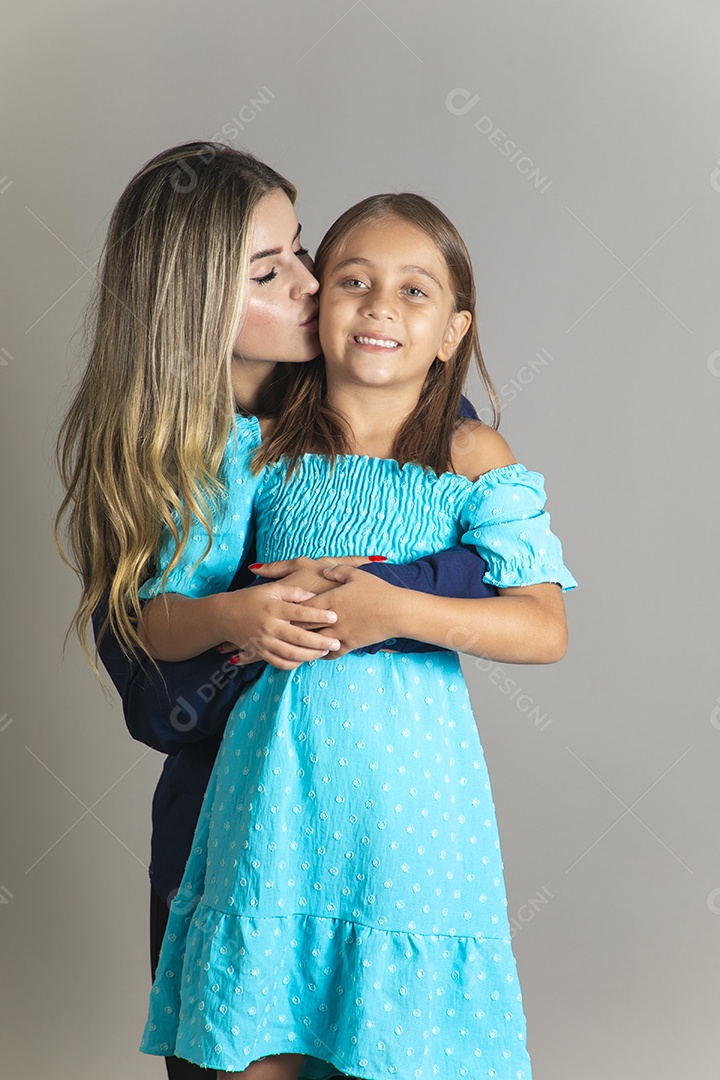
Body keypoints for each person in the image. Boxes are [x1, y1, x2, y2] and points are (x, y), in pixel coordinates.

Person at [55, 143, 501, 1080]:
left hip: (372, 822)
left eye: (301, 250)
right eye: (270, 271)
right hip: (230, 817)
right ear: (197, 307)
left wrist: (380, 590)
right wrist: (243, 614)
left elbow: (490, 564)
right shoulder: (158, 461)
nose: (312, 284)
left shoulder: (372, 393)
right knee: (233, 1047)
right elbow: (152, 699)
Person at [134, 192, 577, 1079]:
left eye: (415, 293)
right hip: (271, 803)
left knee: (397, 1051)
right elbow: (158, 618)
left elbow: (543, 627)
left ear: (454, 332)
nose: (380, 305)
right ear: (318, 305)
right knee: (252, 1047)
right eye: (353, 281)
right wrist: (235, 617)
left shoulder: (472, 458)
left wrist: (395, 610)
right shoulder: (253, 448)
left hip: (412, 818)